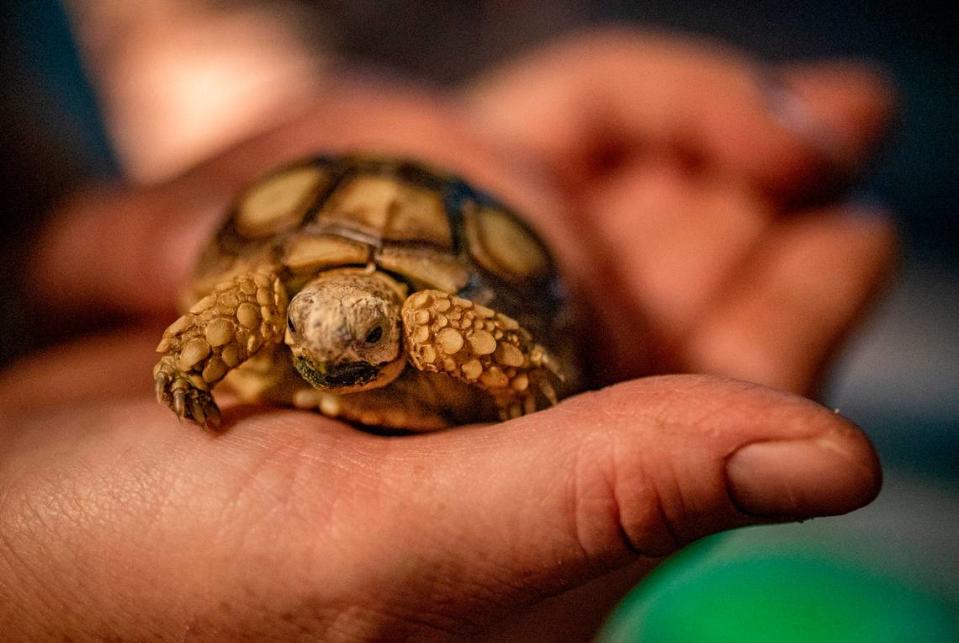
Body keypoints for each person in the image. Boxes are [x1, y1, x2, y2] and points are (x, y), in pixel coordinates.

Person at [0, 30, 896, 639]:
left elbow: (456, 332)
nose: (326, 358)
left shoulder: (427, 321)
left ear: (389, 331)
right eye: (310, 335)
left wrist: (532, 385)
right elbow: (256, 305)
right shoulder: (274, 302)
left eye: (353, 341)